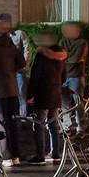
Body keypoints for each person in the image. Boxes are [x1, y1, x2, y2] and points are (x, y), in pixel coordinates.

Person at [0, 14, 27, 166]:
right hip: (13, 89)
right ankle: (16, 155)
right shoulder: (11, 45)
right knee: (13, 122)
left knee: (1, 123)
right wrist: (10, 71)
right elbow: (21, 63)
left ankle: (5, 156)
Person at [27, 29, 68, 164]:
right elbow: (64, 77)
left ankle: (40, 155)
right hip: (56, 93)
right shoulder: (61, 56)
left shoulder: (41, 55)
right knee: (53, 123)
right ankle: (55, 152)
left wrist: (30, 95)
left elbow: (35, 77)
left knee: (38, 124)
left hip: (43, 93)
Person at [60, 22, 89, 112]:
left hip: (76, 76)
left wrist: (66, 57)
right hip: (63, 76)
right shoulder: (62, 41)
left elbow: (75, 59)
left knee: (78, 102)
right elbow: (59, 57)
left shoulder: (82, 43)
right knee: (64, 103)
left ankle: (80, 124)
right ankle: (67, 124)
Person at [8, 21, 33, 118]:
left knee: (21, 95)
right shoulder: (1, 37)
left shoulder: (20, 34)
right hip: (8, 72)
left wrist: (24, 66)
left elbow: (27, 49)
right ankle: (13, 117)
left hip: (19, 71)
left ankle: (23, 117)